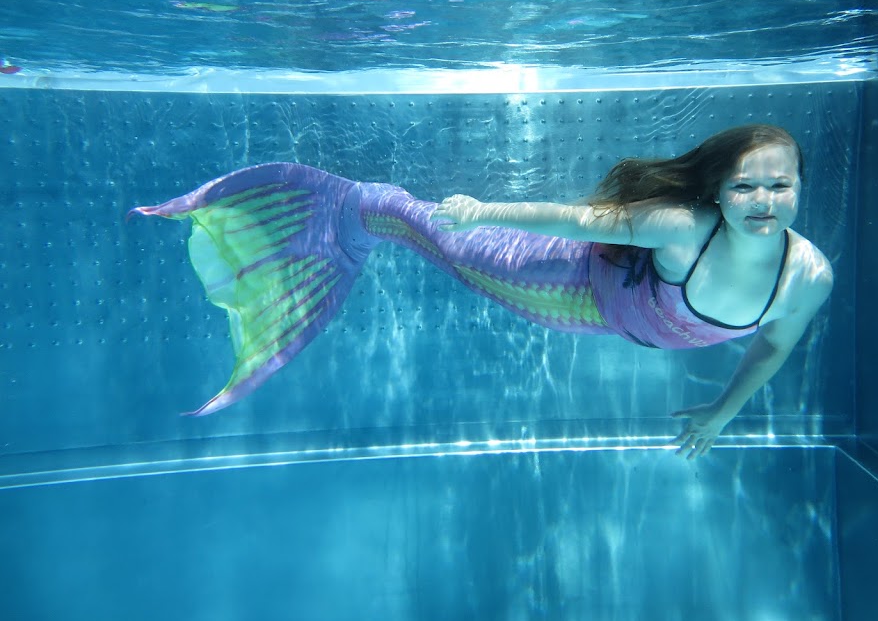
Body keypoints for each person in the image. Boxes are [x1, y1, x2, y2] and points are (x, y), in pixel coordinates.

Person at [131, 123, 832, 459]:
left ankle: (364, 215)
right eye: (746, 184)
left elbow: (771, 349)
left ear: (801, 187)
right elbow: (580, 220)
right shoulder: (683, 228)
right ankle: (346, 207)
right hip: (567, 281)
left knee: (442, 248)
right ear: (718, 190)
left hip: (611, 319)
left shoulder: (808, 276)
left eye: (780, 184)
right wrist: (481, 212)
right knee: (442, 242)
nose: (763, 199)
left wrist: (721, 412)